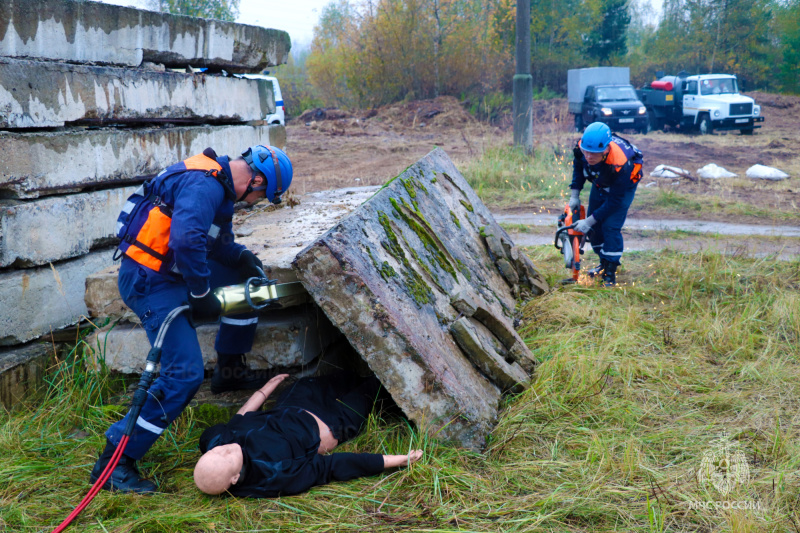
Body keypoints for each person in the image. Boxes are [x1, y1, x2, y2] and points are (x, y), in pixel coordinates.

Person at [91, 144, 293, 493]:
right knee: (183, 374)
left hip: (173, 273)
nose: (254, 203)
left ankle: (229, 371)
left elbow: (213, 245)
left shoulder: (222, 186)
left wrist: (242, 257)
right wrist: (201, 295)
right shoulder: (206, 185)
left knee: (248, 287)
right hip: (151, 281)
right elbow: (186, 243)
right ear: (257, 180)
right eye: (261, 197)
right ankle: (114, 463)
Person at [194, 373, 423, 497]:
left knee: (343, 375)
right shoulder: (276, 474)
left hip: (293, 402)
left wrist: (265, 390)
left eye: (216, 450)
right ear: (235, 478)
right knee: (376, 383)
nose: (225, 448)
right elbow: (332, 467)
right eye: (226, 457)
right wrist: (398, 460)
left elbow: (238, 419)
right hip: (335, 421)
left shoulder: (215, 441)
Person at [568, 122, 643, 286]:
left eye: (594, 154)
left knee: (610, 226)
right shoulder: (582, 149)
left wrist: (588, 220)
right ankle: (602, 264)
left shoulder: (622, 164)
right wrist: (575, 195)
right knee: (594, 226)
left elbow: (614, 201)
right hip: (601, 182)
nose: (588, 157)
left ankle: (610, 273)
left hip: (622, 187)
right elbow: (579, 168)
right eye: (586, 152)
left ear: (606, 150)